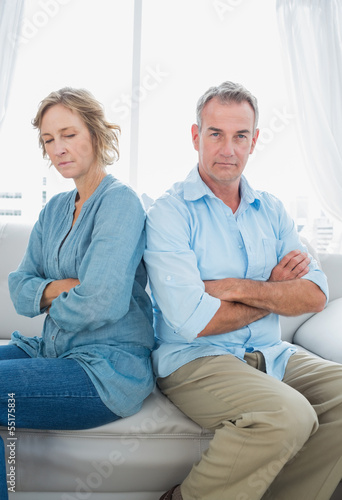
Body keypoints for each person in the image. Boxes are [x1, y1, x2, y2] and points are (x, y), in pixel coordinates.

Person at [144, 81, 342, 500]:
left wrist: (234, 288)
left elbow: (314, 296)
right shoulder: (169, 213)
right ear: (196, 136)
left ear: (255, 141)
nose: (227, 149)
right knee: (287, 415)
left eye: (240, 136)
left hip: (274, 355)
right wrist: (274, 291)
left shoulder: (271, 210)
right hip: (195, 360)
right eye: (215, 134)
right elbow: (193, 320)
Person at [0, 87, 154, 497]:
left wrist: (47, 295)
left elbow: (103, 299)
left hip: (105, 367)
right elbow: (17, 288)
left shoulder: (121, 203)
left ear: (96, 134)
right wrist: (66, 288)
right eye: (49, 140)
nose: (58, 148)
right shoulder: (53, 210)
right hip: (52, 350)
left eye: (68, 134)